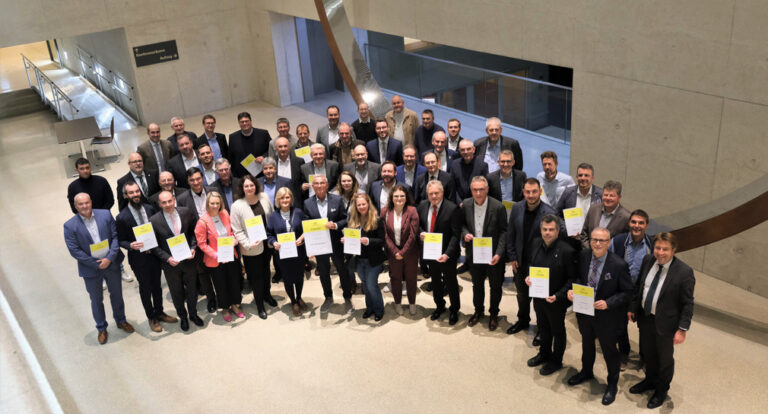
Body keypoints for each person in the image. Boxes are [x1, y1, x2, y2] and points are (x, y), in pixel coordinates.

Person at [566, 227, 633, 406]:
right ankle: (586, 372)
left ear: (608, 242)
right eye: (594, 239)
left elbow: (627, 292)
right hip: (585, 311)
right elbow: (580, 278)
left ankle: (612, 385)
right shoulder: (584, 256)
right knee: (587, 345)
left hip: (607, 317)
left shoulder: (619, 265)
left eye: (602, 240)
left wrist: (609, 303)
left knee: (609, 351)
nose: (597, 243)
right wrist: (574, 290)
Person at [628, 232, 695, 409]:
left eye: (665, 249)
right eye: (658, 248)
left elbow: (688, 303)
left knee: (665, 359)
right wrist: (633, 308)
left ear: (674, 250)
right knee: (648, 353)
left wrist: (682, 329)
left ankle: (661, 389)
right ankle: (649, 380)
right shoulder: (648, 260)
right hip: (646, 318)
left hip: (667, 324)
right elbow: (639, 287)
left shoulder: (684, 272)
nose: (660, 252)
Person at [64, 193, 133, 345]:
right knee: (96, 300)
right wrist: (96, 264)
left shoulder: (105, 215)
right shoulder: (69, 226)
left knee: (117, 294)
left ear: (91, 202)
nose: (84, 206)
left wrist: (109, 258)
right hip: (91, 269)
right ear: (75, 206)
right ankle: (101, 328)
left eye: (87, 203)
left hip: (111, 263)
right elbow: (74, 250)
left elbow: (115, 237)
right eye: (80, 204)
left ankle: (121, 320)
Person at [115, 182, 176, 332]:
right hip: (139, 259)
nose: (135, 195)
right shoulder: (122, 217)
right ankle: (152, 317)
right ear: (126, 195)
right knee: (145, 288)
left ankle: (160, 312)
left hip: (154, 255)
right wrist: (130, 245)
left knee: (157, 285)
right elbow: (120, 239)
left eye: (137, 191)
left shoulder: (149, 208)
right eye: (131, 193)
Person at [523, 215, 577, 376]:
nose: (547, 233)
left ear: (558, 231)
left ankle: (556, 360)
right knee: (543, 327)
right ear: (541, 230)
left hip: (556, 300)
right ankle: (543, 353)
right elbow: (530, 264)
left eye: (551, 230)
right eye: (544, 230)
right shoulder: (535, 244)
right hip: (538, 297)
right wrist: (528, 276)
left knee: (557, 331)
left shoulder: (567, 251)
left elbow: (573, 278)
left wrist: (558, 295)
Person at [506, 178, 560, 336]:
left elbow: (554, 243)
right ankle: (522, 320)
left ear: (540, 192)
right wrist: (512, 256)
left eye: (534, 191)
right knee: (522, 296)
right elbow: (511, 233)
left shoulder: (550, 212)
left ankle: (541, 329)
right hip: (520, 262)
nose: (531, 195)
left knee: (540, 300)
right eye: (527, 192)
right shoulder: (517, 208)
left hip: (540, 266)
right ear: (523, 192)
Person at [149, 191, 204, 331]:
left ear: (174, 200)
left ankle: (193, 314)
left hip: (188, 259)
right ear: (159, 204)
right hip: (171, 264)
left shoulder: (186, 212)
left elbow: (194, 232)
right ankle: (183, 317)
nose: (167, 205)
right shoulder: (154, 221)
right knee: (176, 292)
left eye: (169, 201)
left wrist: (193, 247)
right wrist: (167, 258)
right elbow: (154, 245)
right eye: (164, 202)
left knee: (192, 290)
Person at [461, 176, 507, 331]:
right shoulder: (466, 205)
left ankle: (494, 314)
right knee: (477, 285)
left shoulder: (498, 207)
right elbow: (462, 225)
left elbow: (504, 232)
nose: (478, 193)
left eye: (481, 189)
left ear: (487, 189)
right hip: (474, 254)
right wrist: (465, 234)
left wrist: (499, 254)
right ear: (471, 190)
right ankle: (478, 310)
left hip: (493, 255)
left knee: (495, 286)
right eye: (475, 190)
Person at [609, 209, 653, 369]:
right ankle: (624, 353)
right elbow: (609, 261)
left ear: (646, 225)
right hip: (622, 290)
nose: (637, 226)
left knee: (644, 327)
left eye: (641, 223)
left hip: (642, 292)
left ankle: (644, 356)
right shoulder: (618, 241)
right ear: (629, 223)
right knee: (620, 325)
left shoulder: (652, 245)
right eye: (634, 222)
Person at [303, 175, 353, 312]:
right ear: (313, 186)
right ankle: (328, 297)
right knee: (324, 272)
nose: (319, 186)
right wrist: (310, 248)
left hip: (336, 242)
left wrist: (335, 225)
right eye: (316, 184)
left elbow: (345, 220)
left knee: (342, 270)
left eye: (322, 183)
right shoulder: (307, 203)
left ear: (327, 185)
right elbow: (307, 227)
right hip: (320, 245)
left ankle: (348, 298)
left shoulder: (337, 200)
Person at [230, 175, 277, 319]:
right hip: (251, 248)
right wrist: (247, 244)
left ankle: (267, 295)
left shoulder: (264, 197)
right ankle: (259, 304)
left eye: (251, 185)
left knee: (267, 271)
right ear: (242, 188)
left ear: (255, 185)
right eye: (246, 186)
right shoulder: (237, 205)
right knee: (256, 277)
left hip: (267, 244)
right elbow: (237, 230)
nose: (250, 188)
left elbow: (272, 215)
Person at [418, 180, 462, 325]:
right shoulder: (423, 206)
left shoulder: (453, 208)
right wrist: (421, 233)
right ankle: (439, 306)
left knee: (451, 283)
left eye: (437, 193)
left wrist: (448, 254)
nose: (434, 196)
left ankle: (454, 309)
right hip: (431, 253)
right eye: (431, 193)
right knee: (435, 281)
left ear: (442, 193)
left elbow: (456, 235)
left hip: (447, 255)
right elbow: (419, 226)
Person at [195, 192, 243, 322]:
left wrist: (234, 239)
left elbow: (231, 232)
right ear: (207, 204)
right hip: (215, 260)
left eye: (217, 203)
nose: (215, 206)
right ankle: (225, 308)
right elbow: (202, 244)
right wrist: (217, 255)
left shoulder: (225, 214)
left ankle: (235, 305)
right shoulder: (202, 222)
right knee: (221, 285)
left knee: (234, 282)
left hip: (231, 255)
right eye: (212, 203)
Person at [343, 193, 386, 321]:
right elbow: (351, 238)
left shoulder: (377, 220)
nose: (361, 206)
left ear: (368, 204)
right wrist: (346, 240)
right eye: (359, 205)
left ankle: (379, 310)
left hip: (374, 260)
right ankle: (370, 308)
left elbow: (382, 240)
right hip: (359, 259)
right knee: (365, 285)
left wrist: (368, 241)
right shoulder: (353, 220)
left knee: (372, 285)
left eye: (363, 204)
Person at [267, 187, 308, 316]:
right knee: (288, 278)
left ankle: (299, 297)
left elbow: (307, 228)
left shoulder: (298, 212)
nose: (285, 200)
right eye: (282, 198)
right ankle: (293, 302)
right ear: (278, 200)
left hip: (298, 251)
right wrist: (274, 243)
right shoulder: (273, 216)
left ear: (291, 199)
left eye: (287, 197)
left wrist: (301, 238)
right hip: (282, 254)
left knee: (299, 276)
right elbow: (269, 234)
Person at [382, 185, 420, 316]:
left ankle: (412, 303)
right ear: (391, 198)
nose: (399, 198)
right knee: (395, 278)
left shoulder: (412, 210)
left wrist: (402, 252)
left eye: (402, 196)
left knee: (411, 278)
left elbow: (413, 235)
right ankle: (397, 303)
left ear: (406, 197)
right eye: (396, 196)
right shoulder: (385, 212)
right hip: (393, 254)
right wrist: (395, 252)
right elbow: (385, 235)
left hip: (410, 252)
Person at [580, 180, 630, 248]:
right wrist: (589, 249)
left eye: (612, 196)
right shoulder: (593, 209)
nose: (608, 198)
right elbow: (584, 233)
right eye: (605, 195)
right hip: (590, 253)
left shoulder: (626, 217)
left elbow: (626, 241)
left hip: (611, 256)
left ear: (619, 197)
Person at [228, 112, 271, 178]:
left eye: (246, 121)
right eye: (242, 122)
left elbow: (271, 150)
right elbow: (231, 157)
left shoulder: (263, 134)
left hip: (262, 174)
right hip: (241, 177)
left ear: (251, 121)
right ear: (239, 123)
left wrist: (264, 157)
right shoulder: (233, 137)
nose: (244, 123)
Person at [450, 139, 489, 205]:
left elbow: (484, 188)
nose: (466, 152)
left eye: (468, 149)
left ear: (473, 149)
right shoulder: (454, 164)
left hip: (476, 204)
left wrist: (473, 203)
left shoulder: (482, 166)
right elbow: (452, 187)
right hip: (458, 205)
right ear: (459, 151)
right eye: (463, 150)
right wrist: (459, 202)